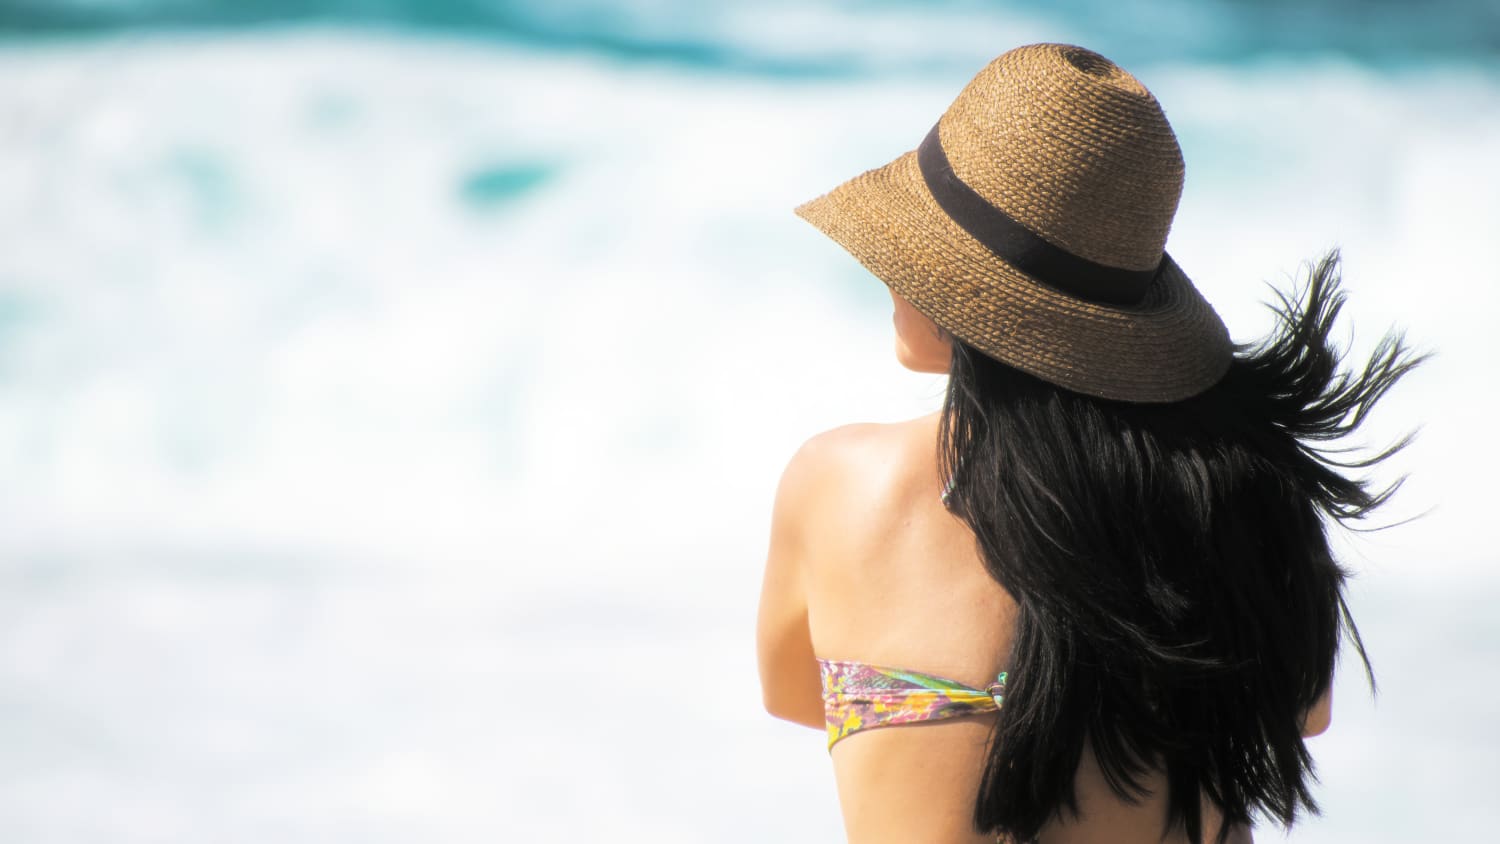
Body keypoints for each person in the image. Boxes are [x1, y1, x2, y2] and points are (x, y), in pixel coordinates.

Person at [756, 44, 1423, 844]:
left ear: (968, 297)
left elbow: (793, 692)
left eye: (916, 252)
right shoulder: (1245, 497)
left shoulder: (842, 483)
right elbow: (1302, 709)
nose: (889, 275)